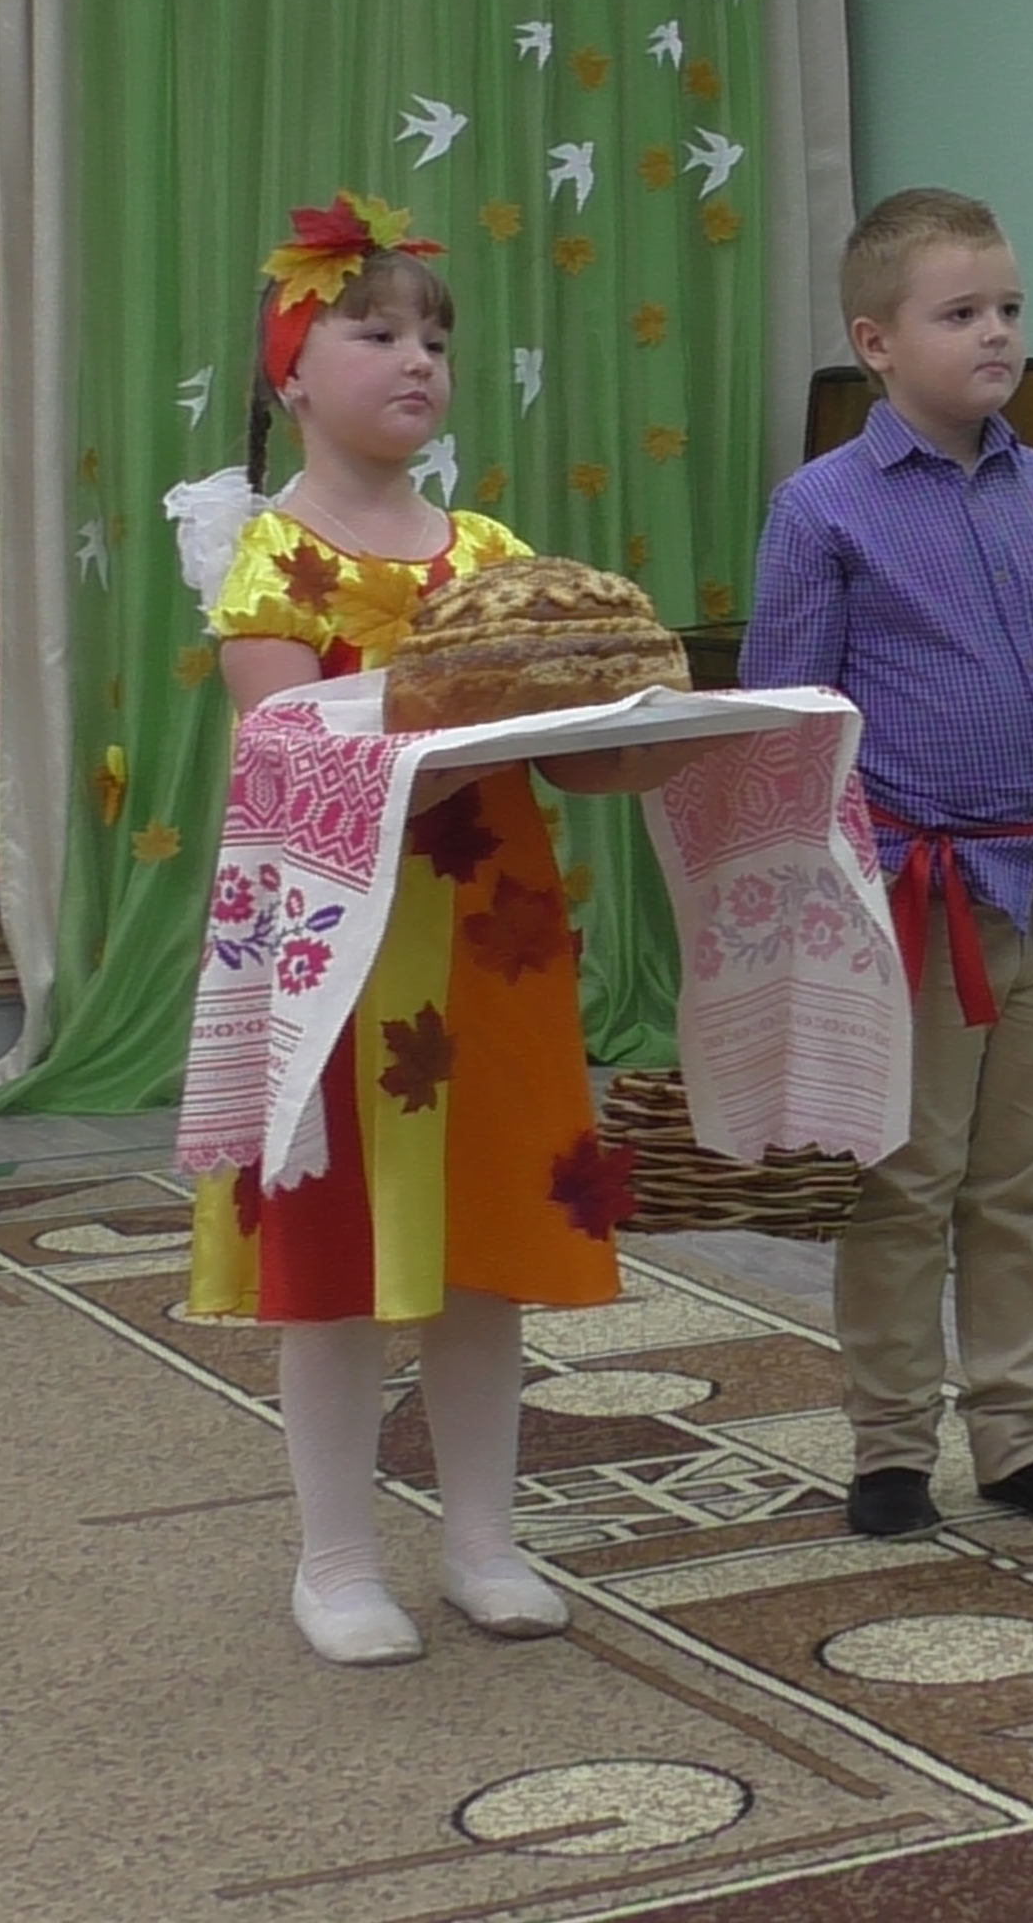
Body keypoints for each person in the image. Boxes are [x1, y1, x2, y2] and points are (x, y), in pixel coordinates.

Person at [173, 195, 696, 1666]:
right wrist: (468, 732)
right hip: (342, 958)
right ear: (290, 372)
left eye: (437, 340)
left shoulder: (494, 553)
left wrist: (653, 738)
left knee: (484, 1252)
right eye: (377, 333)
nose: (418, 360)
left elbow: (572, 754)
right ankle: (335, 1560)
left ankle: (482, 1542)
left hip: (492, 949)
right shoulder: (270, 560)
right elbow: (291, 756)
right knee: (338, 1267)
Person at [743, 187, 1033, 1540]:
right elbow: (789, 733)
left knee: (1028, 1185)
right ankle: (886, 1449)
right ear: (876, 341)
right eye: (960, 312)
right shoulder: (822, 512)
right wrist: (821, 920)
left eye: (1009, 309)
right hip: (913, 910)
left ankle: (1019, 1437)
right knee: (904, 1183)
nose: (995, 334)